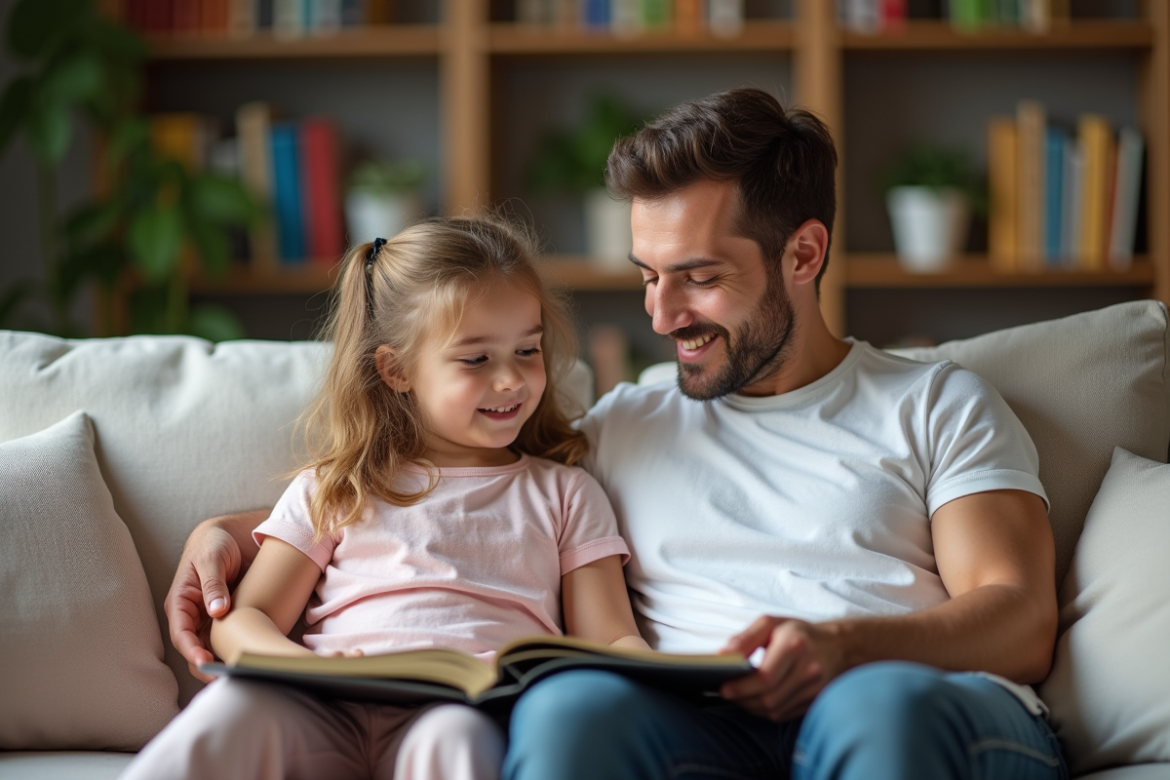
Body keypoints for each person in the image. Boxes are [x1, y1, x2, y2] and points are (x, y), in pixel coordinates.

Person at [166, 89, 1065, 780]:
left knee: (877, 711)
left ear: (803, 254)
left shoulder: (936, 401)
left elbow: (1020, 619)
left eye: (699, 277)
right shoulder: (628, 421)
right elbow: (447, 490)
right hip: (704, 720)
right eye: (647, 275)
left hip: (904, 702)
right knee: (570, 712)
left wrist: (848, 645)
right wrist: (235, 535)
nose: (661, 313)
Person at [128, 217, 646, 780]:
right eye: (476, 359)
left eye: (527, 349)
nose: (511, 380)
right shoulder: (339, 488)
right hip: (324, 705)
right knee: (234, 709)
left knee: (456, 740)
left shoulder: (566, 492)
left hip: (464, 708)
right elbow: (242, 618)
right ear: (396, 370)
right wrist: (297, 668)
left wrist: (693, 677)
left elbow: (611, 637)